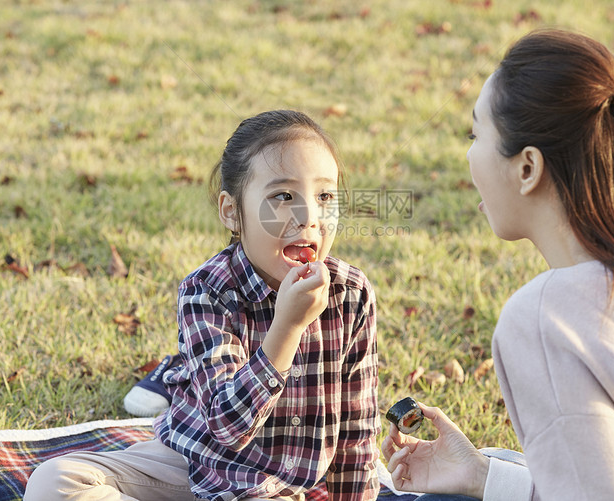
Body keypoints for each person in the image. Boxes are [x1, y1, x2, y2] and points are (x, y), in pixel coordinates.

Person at [382, 29, 614, 500]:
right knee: (494, 469)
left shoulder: (548, 319)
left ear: (528, 168)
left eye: (475, 134)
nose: (467, 154)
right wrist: (482, 477)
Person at [25, 110, 381, 501]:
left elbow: (356, 438)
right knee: (54, 481)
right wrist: (288, 327)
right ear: (232, 212)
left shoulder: (352, 294)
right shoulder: (207, 290)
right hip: (190, 463)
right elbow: (227, 427)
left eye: (324, 196)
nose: (308, 217)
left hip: (282, 488)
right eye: (282, 196)